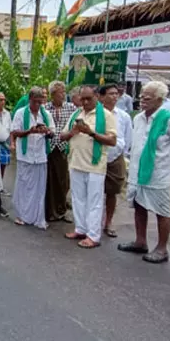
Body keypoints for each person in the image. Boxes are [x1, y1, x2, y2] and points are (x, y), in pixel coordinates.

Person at [118, 81, 170, 263]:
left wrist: (164, 163)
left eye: (147, 98)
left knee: (161, 211)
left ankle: (162, 249)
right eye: (141, 97)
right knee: (139, 206)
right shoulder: (138, 118)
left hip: (158, 174)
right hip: (137, 171)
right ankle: (140, 242)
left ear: (159, 100)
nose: (142, 101)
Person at [59, 85, 117, 248]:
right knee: (78, 199)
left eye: (88, 98)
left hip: (95, 165)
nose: (84, 102)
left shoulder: (106, 115)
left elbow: (112, 141)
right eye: (82, 99)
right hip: (76, 162)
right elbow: (63, 136)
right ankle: (81, 229)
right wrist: (73, 132)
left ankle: (93, 236)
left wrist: (90, 132)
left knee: (94, 201)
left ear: (97, 97)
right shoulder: (76, 114)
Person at [10, 86, 55, 229]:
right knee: (23, 186)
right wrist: (29, 131)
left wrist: (46, 131)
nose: (37, 105)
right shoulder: (20, 113)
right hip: (26, 155)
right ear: (29, 100)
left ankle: (37, 217)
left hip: (40, 155)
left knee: (39, 188)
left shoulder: (46, 114)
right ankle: (21, 215)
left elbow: (53, 133)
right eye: (35, 102)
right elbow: (15, 132)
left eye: (40, 102)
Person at [99, 84, 132, 238]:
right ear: (101, 96)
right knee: (95, 191)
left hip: (115, 157)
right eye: (111, 93)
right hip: (97, 156)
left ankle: (108, 221)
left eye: (116, 94)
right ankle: (93, 222)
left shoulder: (124, 116)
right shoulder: (96, 113)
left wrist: (123, 155)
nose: (114, 96)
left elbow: (127, 138)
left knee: (113, 192)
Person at [44, 81, 77, 223]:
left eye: (64, 92)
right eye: (60, 92)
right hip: (49, 147)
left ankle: (62, 210)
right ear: (52, 94)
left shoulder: (70, 108)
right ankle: (49, 210)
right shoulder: (45, 108)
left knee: (63, 180)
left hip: (63, 147)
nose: (63, 95)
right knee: (49, 180)